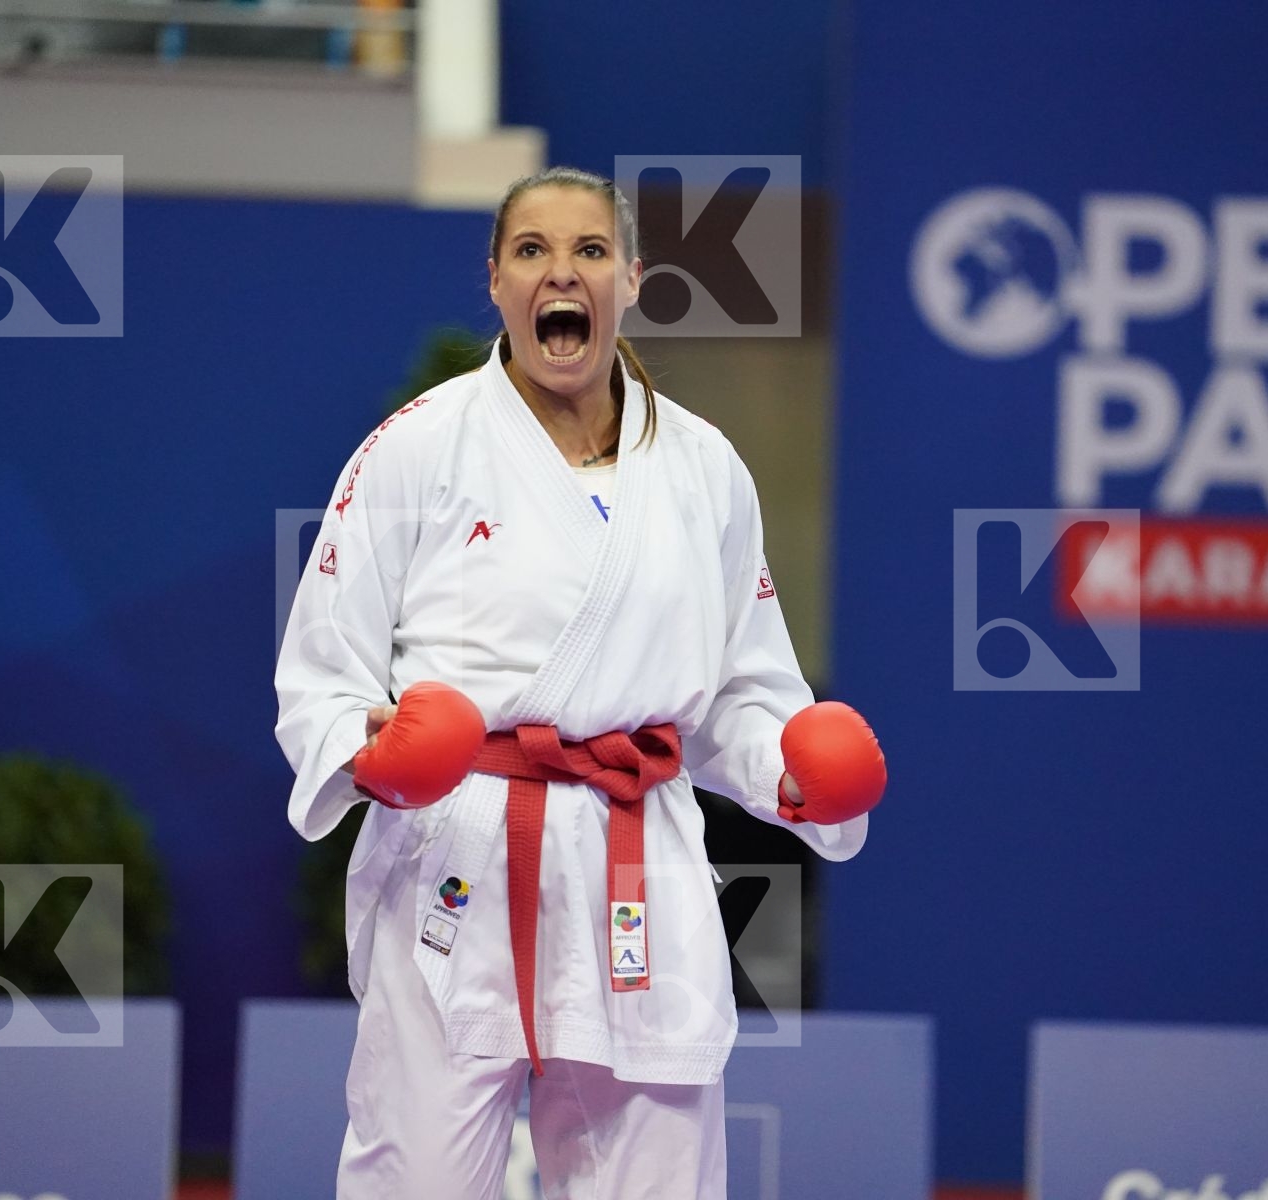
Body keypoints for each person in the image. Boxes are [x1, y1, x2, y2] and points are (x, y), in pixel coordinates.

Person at [274, 166, 886, 1200]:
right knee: (412, 1177)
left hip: (633, 851)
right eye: (532, 252)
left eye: (590, 251)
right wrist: (374, 757)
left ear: (631, 278)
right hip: (459, 847)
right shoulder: (417, 447)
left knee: (651, 1180)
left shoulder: (702, 468)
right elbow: (322, 671)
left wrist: (786, 765)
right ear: (497, 284)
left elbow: (739, 687)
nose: (562, 273)